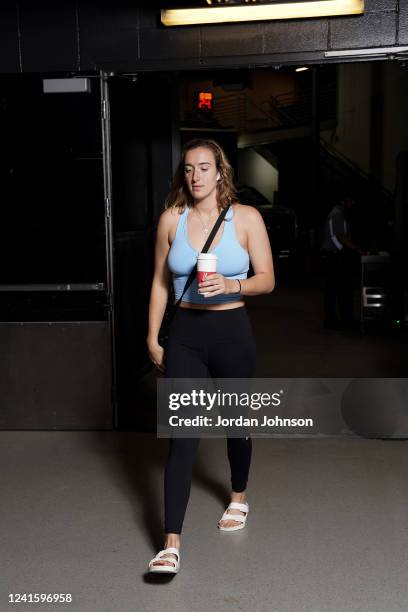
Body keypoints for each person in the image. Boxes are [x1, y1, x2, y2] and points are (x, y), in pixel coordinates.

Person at [146, 138, 275, 574]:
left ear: (220, 172)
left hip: (232, 331)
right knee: (182, 436)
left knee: (237, 423)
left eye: (204, 167)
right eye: (188, 168)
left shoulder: (247, 218)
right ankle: (170, 543)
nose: (195, 175)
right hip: (185, 334)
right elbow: (161, 283)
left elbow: (268, 279)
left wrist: (232, 285)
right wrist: (151, 336)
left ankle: (238, 496)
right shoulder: (170, 220)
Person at [321, 193, 367, 330]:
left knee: (335, 289)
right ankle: (342, 320)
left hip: (334, 256)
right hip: (334, 256)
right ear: (344, 201)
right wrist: (356, 250)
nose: (352, 204)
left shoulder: (337, 213)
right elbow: (341, 237)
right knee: (341, 289)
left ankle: (335, 320)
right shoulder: (337, 214)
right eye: (351, 201)